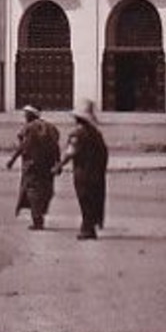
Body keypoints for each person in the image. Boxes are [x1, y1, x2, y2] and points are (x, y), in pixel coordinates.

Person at [55, 100, 109, 240]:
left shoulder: (77, 134)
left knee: (85, 199)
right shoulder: (96, 134)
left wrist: (59, 166)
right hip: (96, 172)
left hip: (83, 172)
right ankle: (90, 227)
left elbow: (70, 152)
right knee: (94, 198)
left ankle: (87, 228)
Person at [6, 104, 60, 231]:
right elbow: (56, 147)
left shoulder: (29, 128)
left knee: (32, 192)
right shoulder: (51, 128)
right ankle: (40, 216)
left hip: (32, 165)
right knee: (45, 190)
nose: (24, 116)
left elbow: (23, 146)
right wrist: (58, 162)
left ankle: (37, 221)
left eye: (26, 114)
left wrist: (12, 160)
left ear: (30, 115)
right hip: (48, 165)